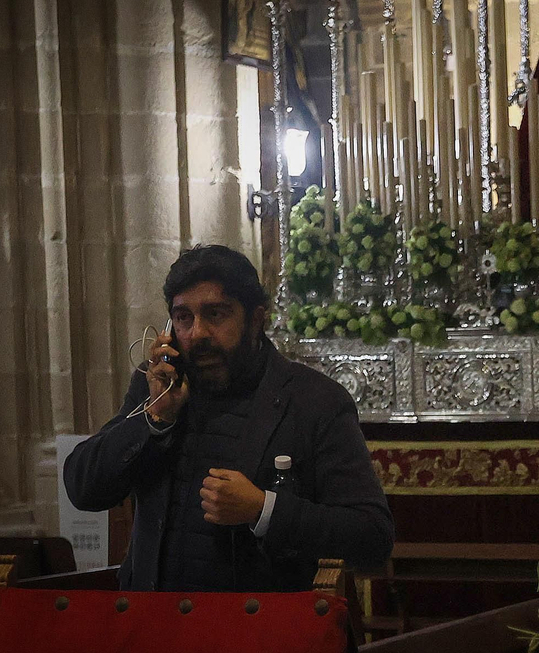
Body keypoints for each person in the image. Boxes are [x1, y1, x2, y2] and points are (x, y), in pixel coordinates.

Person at [65, 245, 393, 594]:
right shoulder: (158, 388)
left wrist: (263, 510)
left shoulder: (314, 400)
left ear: (255, 319)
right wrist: (154, 418)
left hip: (260, 631)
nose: (196, 334)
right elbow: (83, 489)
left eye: (215, 314)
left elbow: (372, 537)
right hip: (156, 628)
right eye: (183, 318)